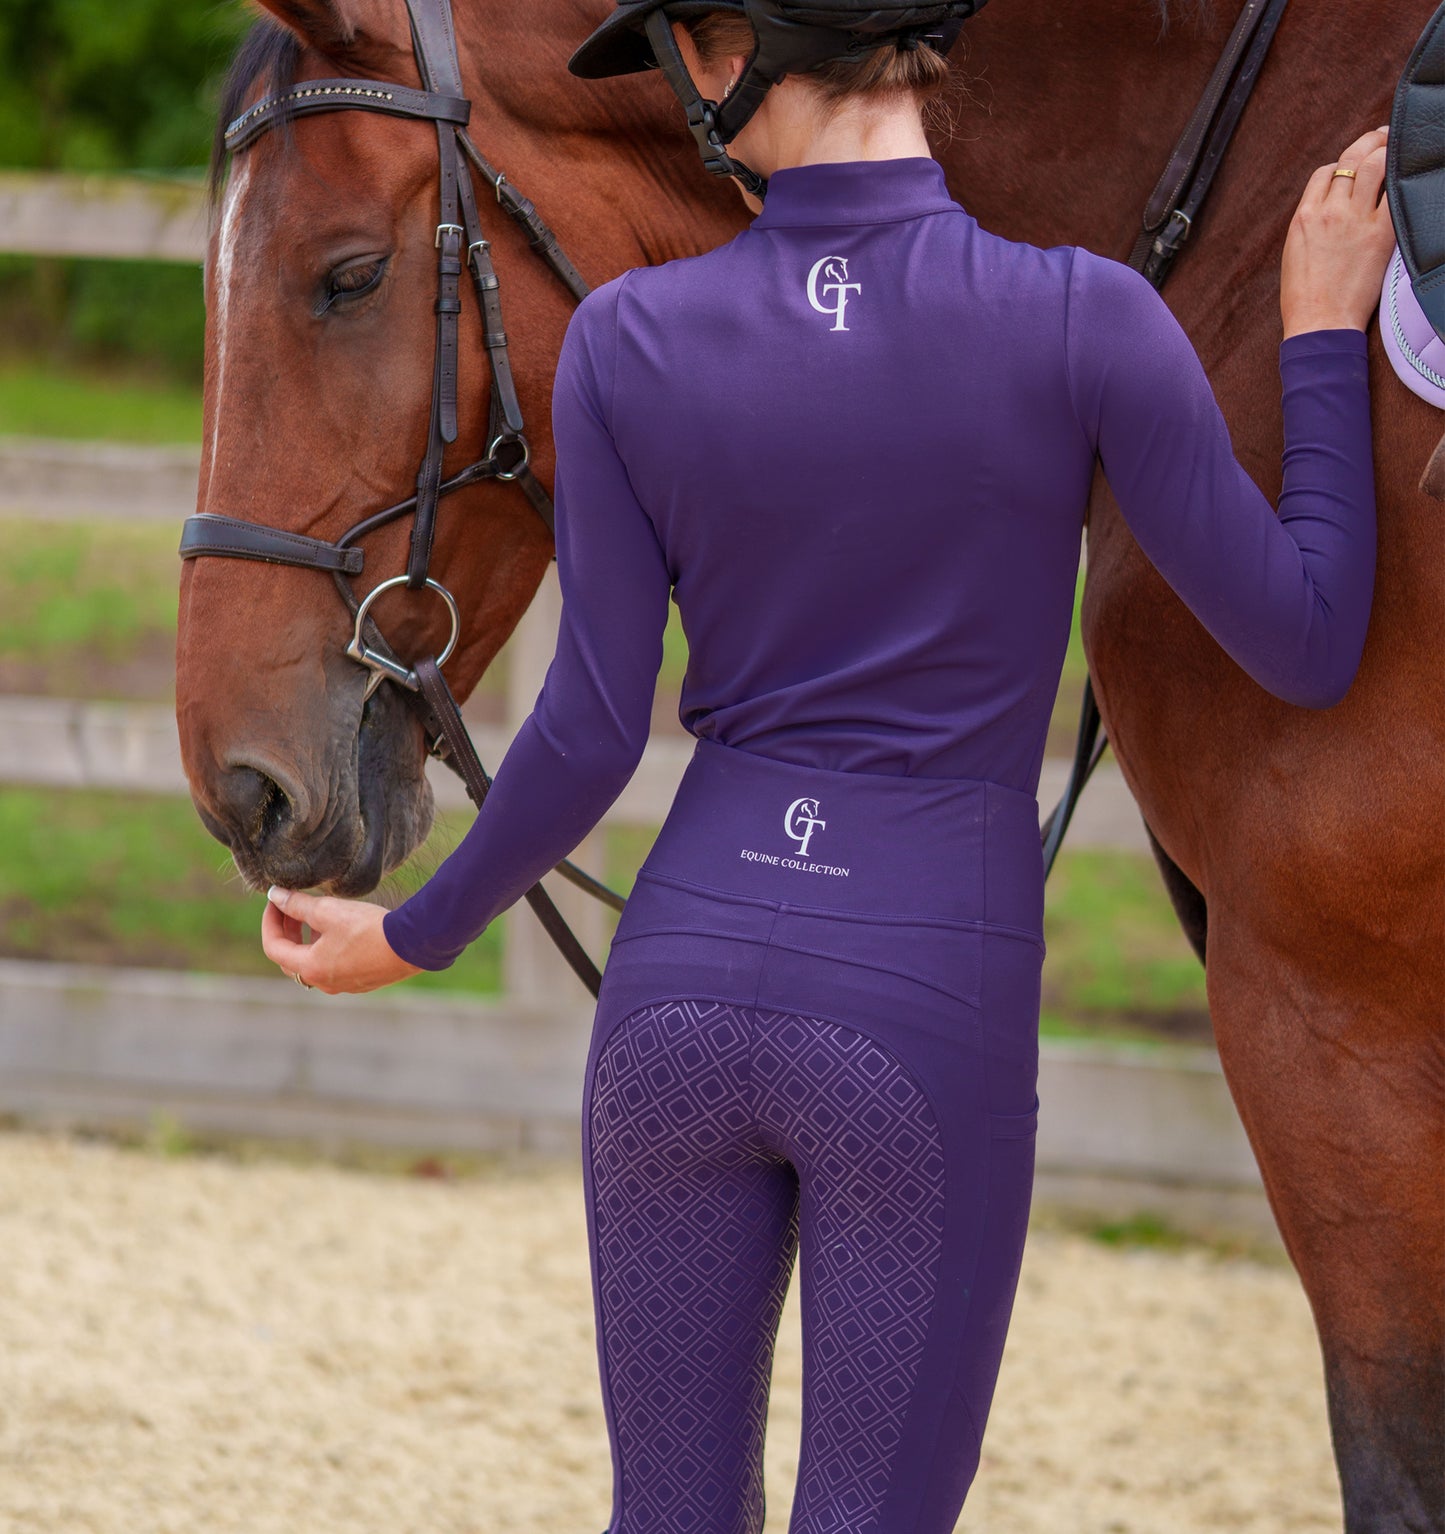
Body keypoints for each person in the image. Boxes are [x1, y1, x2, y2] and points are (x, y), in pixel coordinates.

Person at [261, 2, 1395, 1527]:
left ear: (743, 58)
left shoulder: (627, 341)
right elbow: (1311, 639)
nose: (683, 95)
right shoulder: (1084, 316)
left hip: (674, 1009)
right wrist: (1319, 340)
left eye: (685, 59)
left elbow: (591, 730)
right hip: (916, 1015)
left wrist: (407, 934)